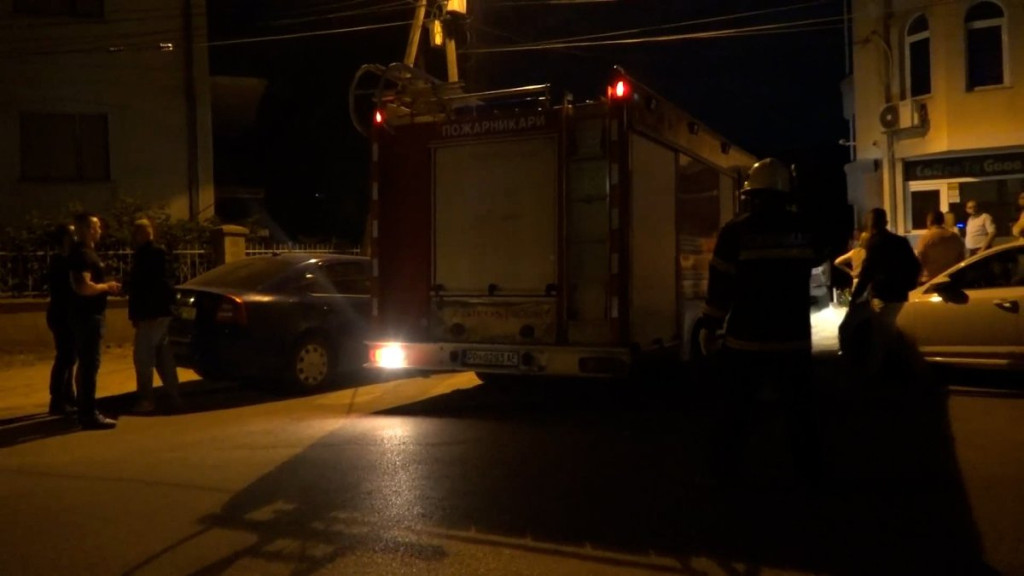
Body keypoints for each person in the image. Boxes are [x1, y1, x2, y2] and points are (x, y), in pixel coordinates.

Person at [697, 158, 824, 483]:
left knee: (734, 412)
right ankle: (810, 476)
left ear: (752, 195)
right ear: (786, 193)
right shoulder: (803, 230)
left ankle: (724, 477)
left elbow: (720, 286)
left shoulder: (735, 232)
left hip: (745, 341)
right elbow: (821, 256)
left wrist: (710, 326)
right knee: (800, 414)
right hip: (793, 340)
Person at [69, 212, 121, 429]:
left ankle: (84, 408)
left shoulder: (84, 253)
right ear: (88, 230)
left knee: (86, 365)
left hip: (86, 316)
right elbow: (83, 287)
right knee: (89, 365)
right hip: (88, 317)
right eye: (97, 227)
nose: (100, 230)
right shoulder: (83, 255)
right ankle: (88, 414)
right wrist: (106, 287)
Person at [127, 219, 182, 413]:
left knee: (143, 357)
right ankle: (173, 396)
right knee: (162, 355)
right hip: (157, 312)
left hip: (151, 314)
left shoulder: (150, 254)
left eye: (136, 233)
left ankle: (146, 399)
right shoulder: (154, 253)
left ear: (142, 234)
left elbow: (149, 285)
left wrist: (145, 312)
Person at [45, 223, 77, 416]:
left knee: (70, 356)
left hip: (64, 313)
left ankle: (68, 395)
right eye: (72, 235)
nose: (75, 238)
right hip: (62, 314)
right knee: (65, 356)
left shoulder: (64, 260)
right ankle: (57, 399)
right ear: (65, 238)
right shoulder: (60, 261)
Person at [916, 209, 966, 285]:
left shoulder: (925, 238)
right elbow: (961, 259)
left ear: (929, 222)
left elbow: (920, 260)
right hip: (950, 279)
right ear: (942, 221)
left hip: (931, 280)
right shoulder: (955, 237)